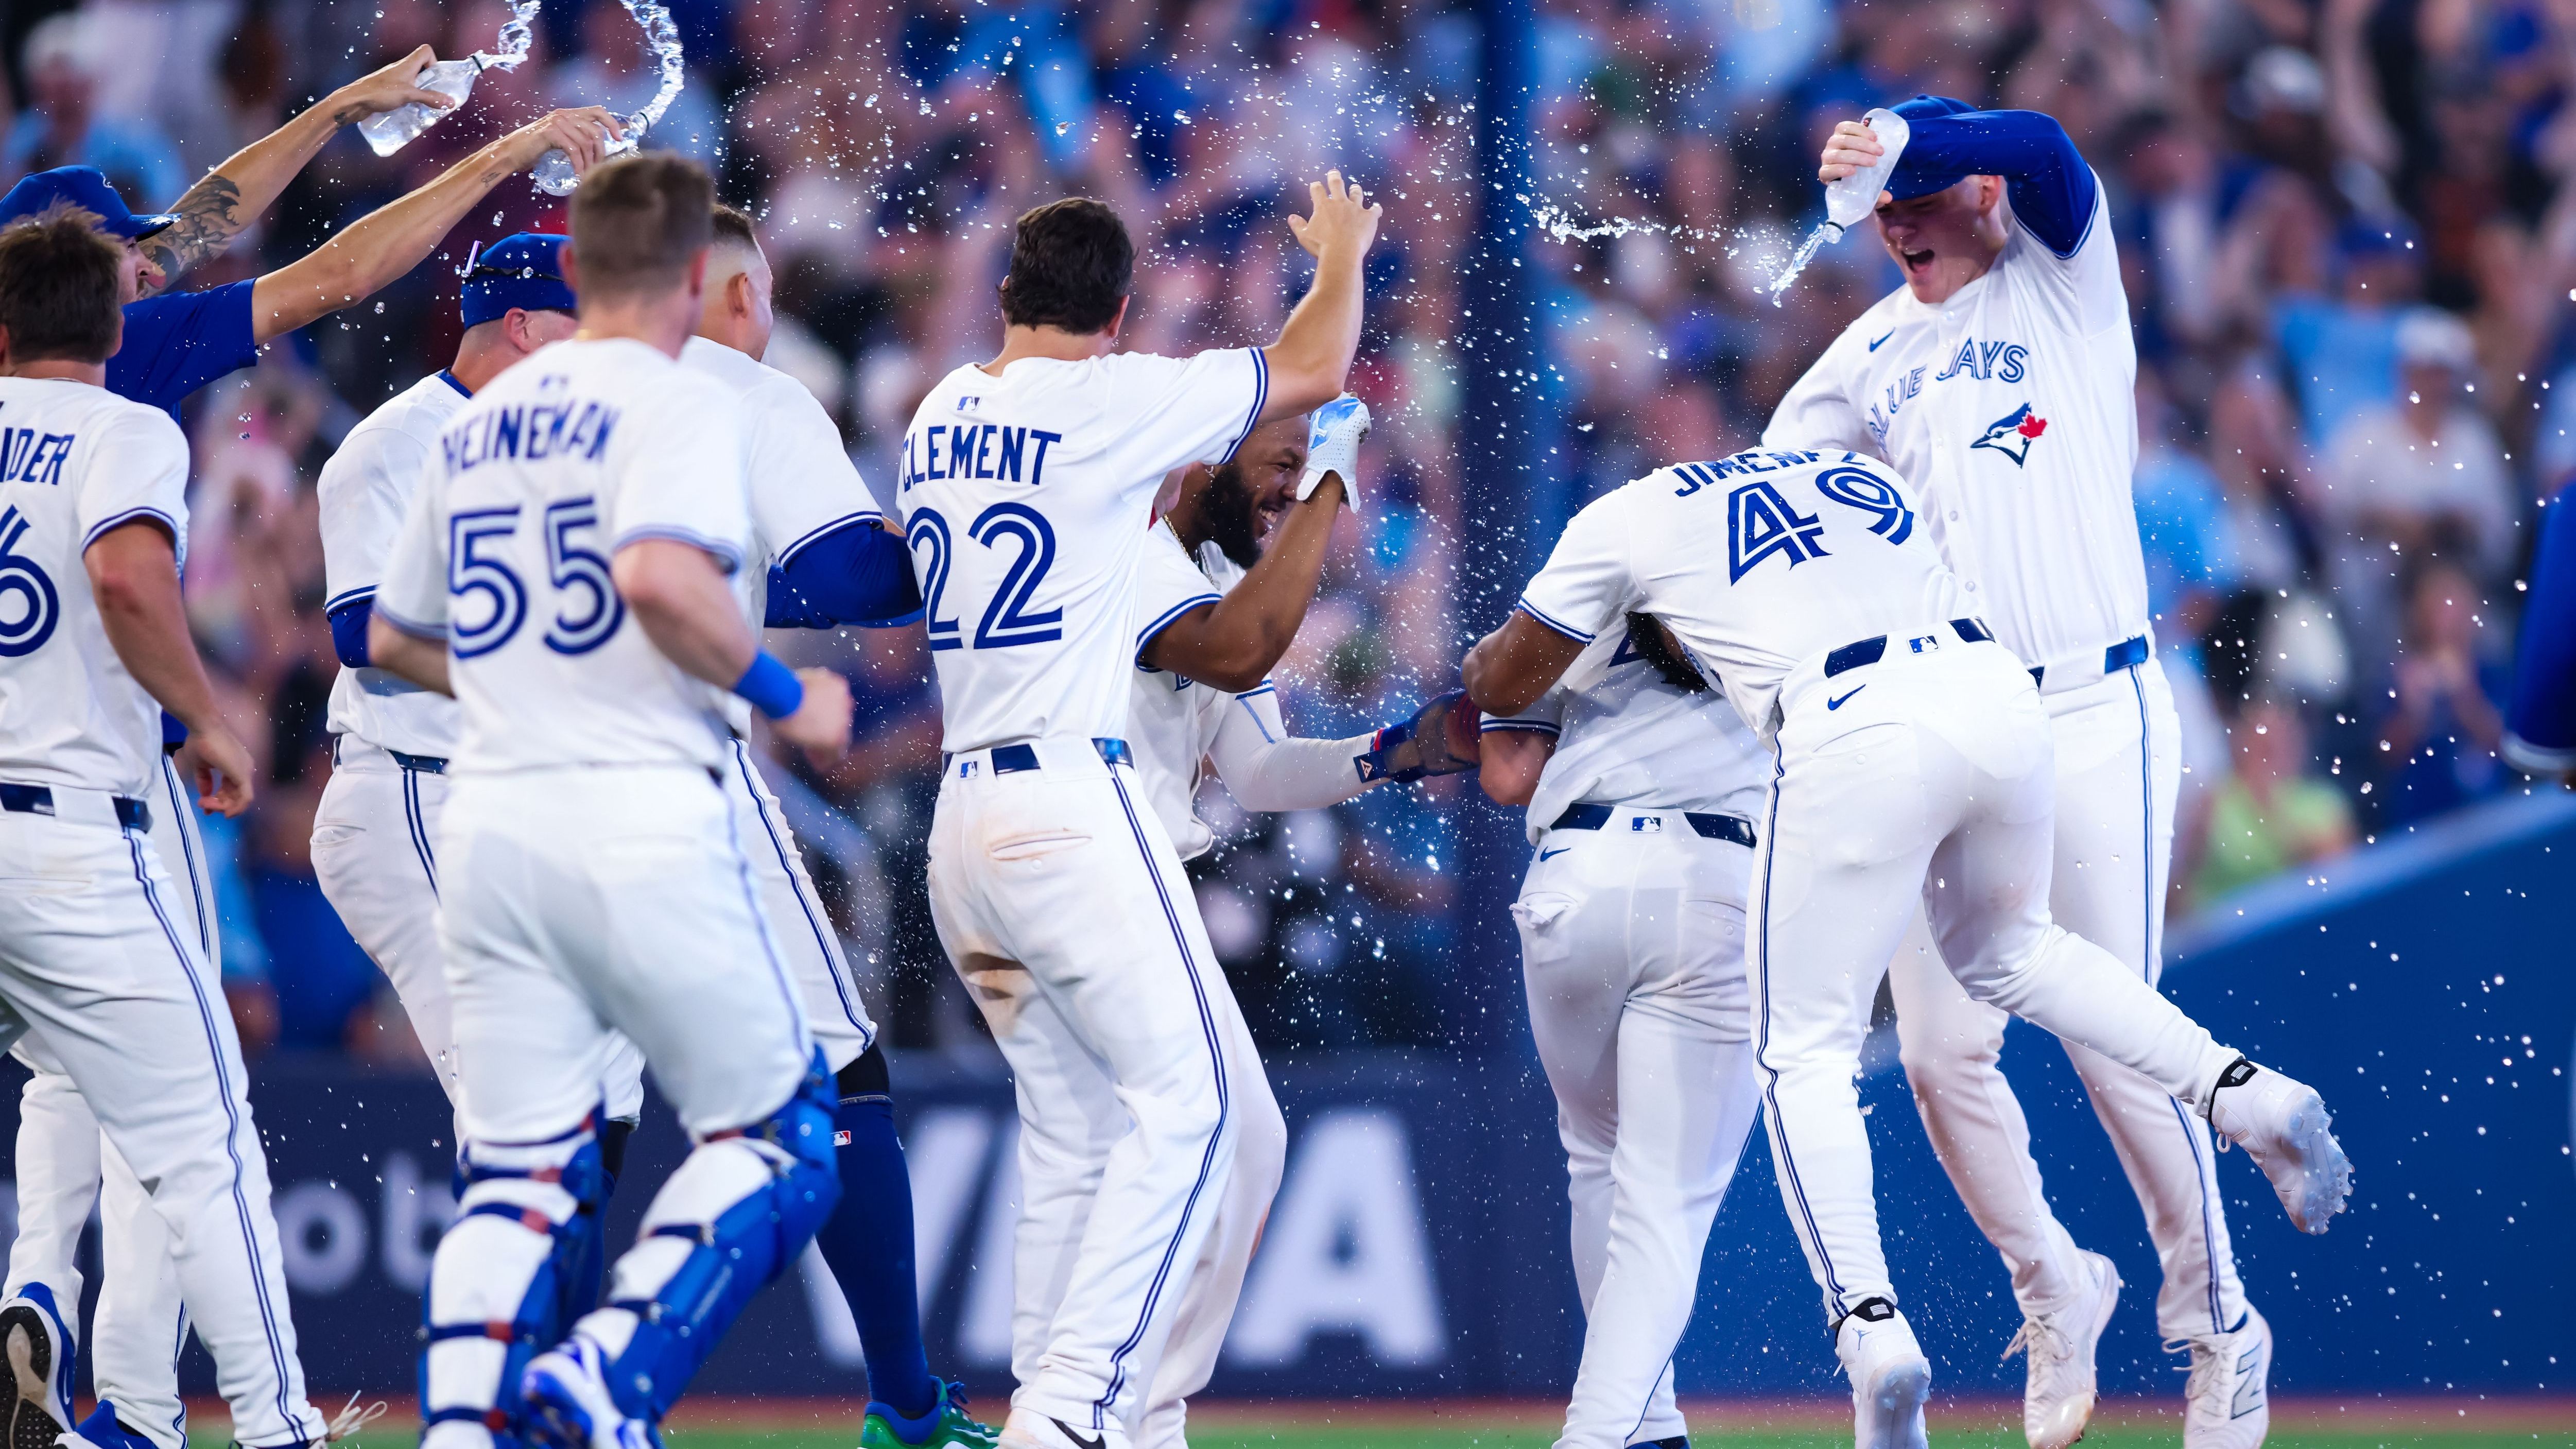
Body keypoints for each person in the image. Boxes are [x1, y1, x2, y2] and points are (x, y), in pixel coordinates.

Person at [1459, 444, 2352, 1449]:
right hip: (1993, 686)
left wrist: (1481, 674)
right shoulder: (1842, 469)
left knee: (1804, 1054)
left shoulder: (1621, 518)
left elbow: (1505, 681)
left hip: (1847, 723)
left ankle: (1871, 1332)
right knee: (2021, 954)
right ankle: (2243, 1090)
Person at [1, 56, 627, 1446]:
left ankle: (55, 1309)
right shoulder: (124, 374)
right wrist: (486, 155)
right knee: (193, 1116)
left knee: (73, 1068)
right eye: (121, 249)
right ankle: (251, 1418)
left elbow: (206, 225)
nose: (150, 263)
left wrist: (343, 117)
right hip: (105, 774)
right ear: (81, 279)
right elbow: (330, 274)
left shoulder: (55, 342)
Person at [1762, 97, 2273, 1449]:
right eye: (1879, 211)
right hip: (1958, 727)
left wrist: (1902, 139)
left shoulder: (2061, 274)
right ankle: (2056, 1284)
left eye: (1914, 198)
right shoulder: (1862, 353)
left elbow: (2044, 141)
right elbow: (1758, 514)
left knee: (2117, 1042)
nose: (1896, 225)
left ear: (1966, 189)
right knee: (1936, 1051)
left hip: (2100, 701)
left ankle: (2216, 1324)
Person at [364, 153, 855, 1449]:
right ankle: (605, 1374)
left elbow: (402, 638)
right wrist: (781, 691)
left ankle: (463, 1429)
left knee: (520, 1174)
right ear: (698, 279)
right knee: (788, 1135)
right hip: (633, 816)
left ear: (576, 269)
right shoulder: (677, 400)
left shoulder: (475, 423)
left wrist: (526, 669)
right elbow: (656, 576)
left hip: (491, 828)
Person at [899, 179, 1376, 1449]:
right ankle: (1075, 1419)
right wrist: (1342, 255)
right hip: (1065, 794)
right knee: (1203, 1108)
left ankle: (1047, 1411)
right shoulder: (1104, 400)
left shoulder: (943, 407)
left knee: (1072, 1134)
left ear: (1006, 296)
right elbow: (1315, 364)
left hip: (961, 817)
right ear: (1115, 315)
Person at [0, 203, 329, 1449]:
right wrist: (207, 716)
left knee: (59, 1078)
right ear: (113, 325)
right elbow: (130, 577)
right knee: (207, 1153)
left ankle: (41, 1292)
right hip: (73, 831)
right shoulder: (126, 428)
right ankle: (278, 1426)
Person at [676, 203, 993, 1449]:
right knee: (838, 1082)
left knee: (557, 1118)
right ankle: (908, 1409)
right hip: (677, 776)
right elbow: (856, 579)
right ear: (745, 300)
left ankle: (503, 1393)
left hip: (487, 788)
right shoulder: (744, 394)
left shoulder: (540, 394)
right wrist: (976, 527)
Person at [1119, 397, 1468, 1449]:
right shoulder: (1131, 562)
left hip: (1135, 886)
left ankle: (1134, 1410)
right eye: (1276, 464)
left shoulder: (1214, 590)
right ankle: (1105, 1410)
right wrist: (1331, 475)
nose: (1285, 489)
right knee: (1179, 1146)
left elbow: (1263, 773)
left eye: (1296, 471)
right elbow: (1234, 657)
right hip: (1086, 873)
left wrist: (1394, 750)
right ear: (1198, 461)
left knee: (1238, 1146)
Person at [1476, 612, 1769, 1449]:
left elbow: (1508, 772)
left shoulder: (1586, 577)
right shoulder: (1777, 571)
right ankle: (1601, 1431)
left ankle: (1647, 1424)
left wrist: (1480, 675)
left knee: (1599, 1161)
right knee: (1664, 1196)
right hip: (1710, 872)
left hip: (1573, 877)